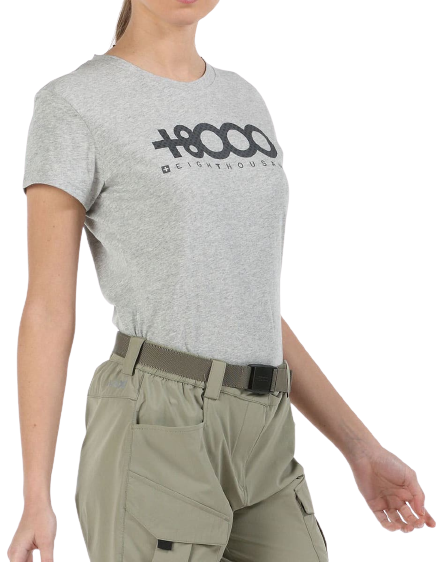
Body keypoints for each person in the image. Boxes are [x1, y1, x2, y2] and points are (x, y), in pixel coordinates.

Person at [8, 1, 437, 561]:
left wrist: (361, 449)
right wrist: (35, 495)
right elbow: (47, 310)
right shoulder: (74, 102)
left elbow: (250, 305)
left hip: (266, 428)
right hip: (156, 419)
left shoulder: (243, 98)